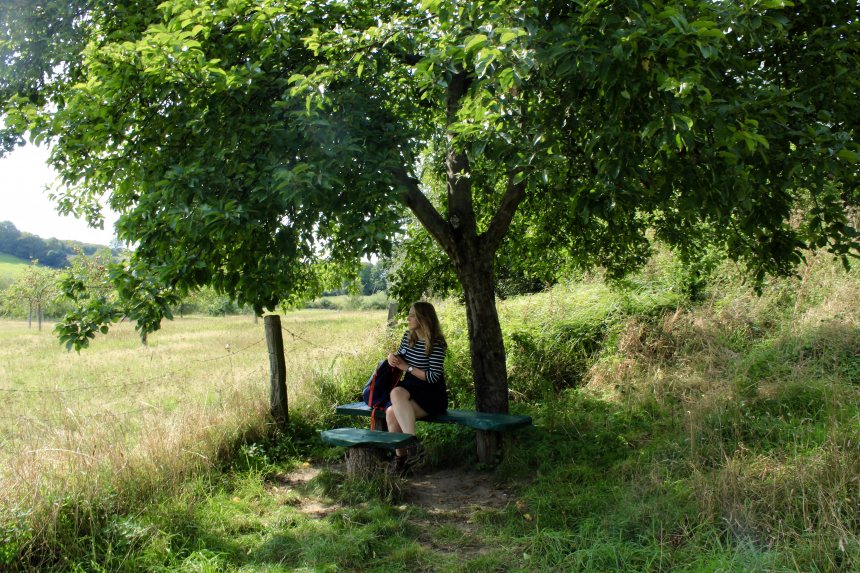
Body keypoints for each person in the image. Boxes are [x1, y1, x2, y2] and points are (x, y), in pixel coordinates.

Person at [385, 301, 448, 475]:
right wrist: (393, 357)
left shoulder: (437, 343)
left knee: (393, 408)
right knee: (392, 404)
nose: (408, 318)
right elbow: (401, 356)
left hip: (431, 393)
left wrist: (407, 368)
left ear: (423, 318)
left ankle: (407, 454)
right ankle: (406, 455)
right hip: (411, 388)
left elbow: (433, 376)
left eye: (412, 315)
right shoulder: (408, 336)